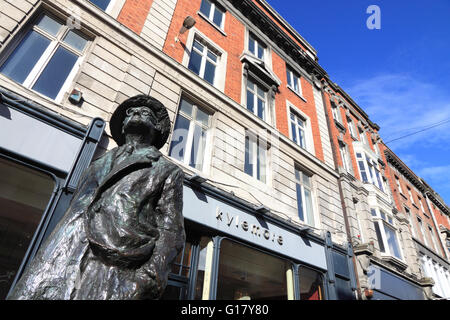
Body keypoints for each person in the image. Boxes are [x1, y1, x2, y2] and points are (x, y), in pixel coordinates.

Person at [9, 95, 185, 300]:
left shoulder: (166, 169)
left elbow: (171, 229)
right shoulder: (98, 163)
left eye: (145, 112)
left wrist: (149, 278)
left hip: (116, 263)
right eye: (130, 112)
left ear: (156, 128)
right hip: (65, 253)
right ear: (123, 126)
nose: (136, 113)